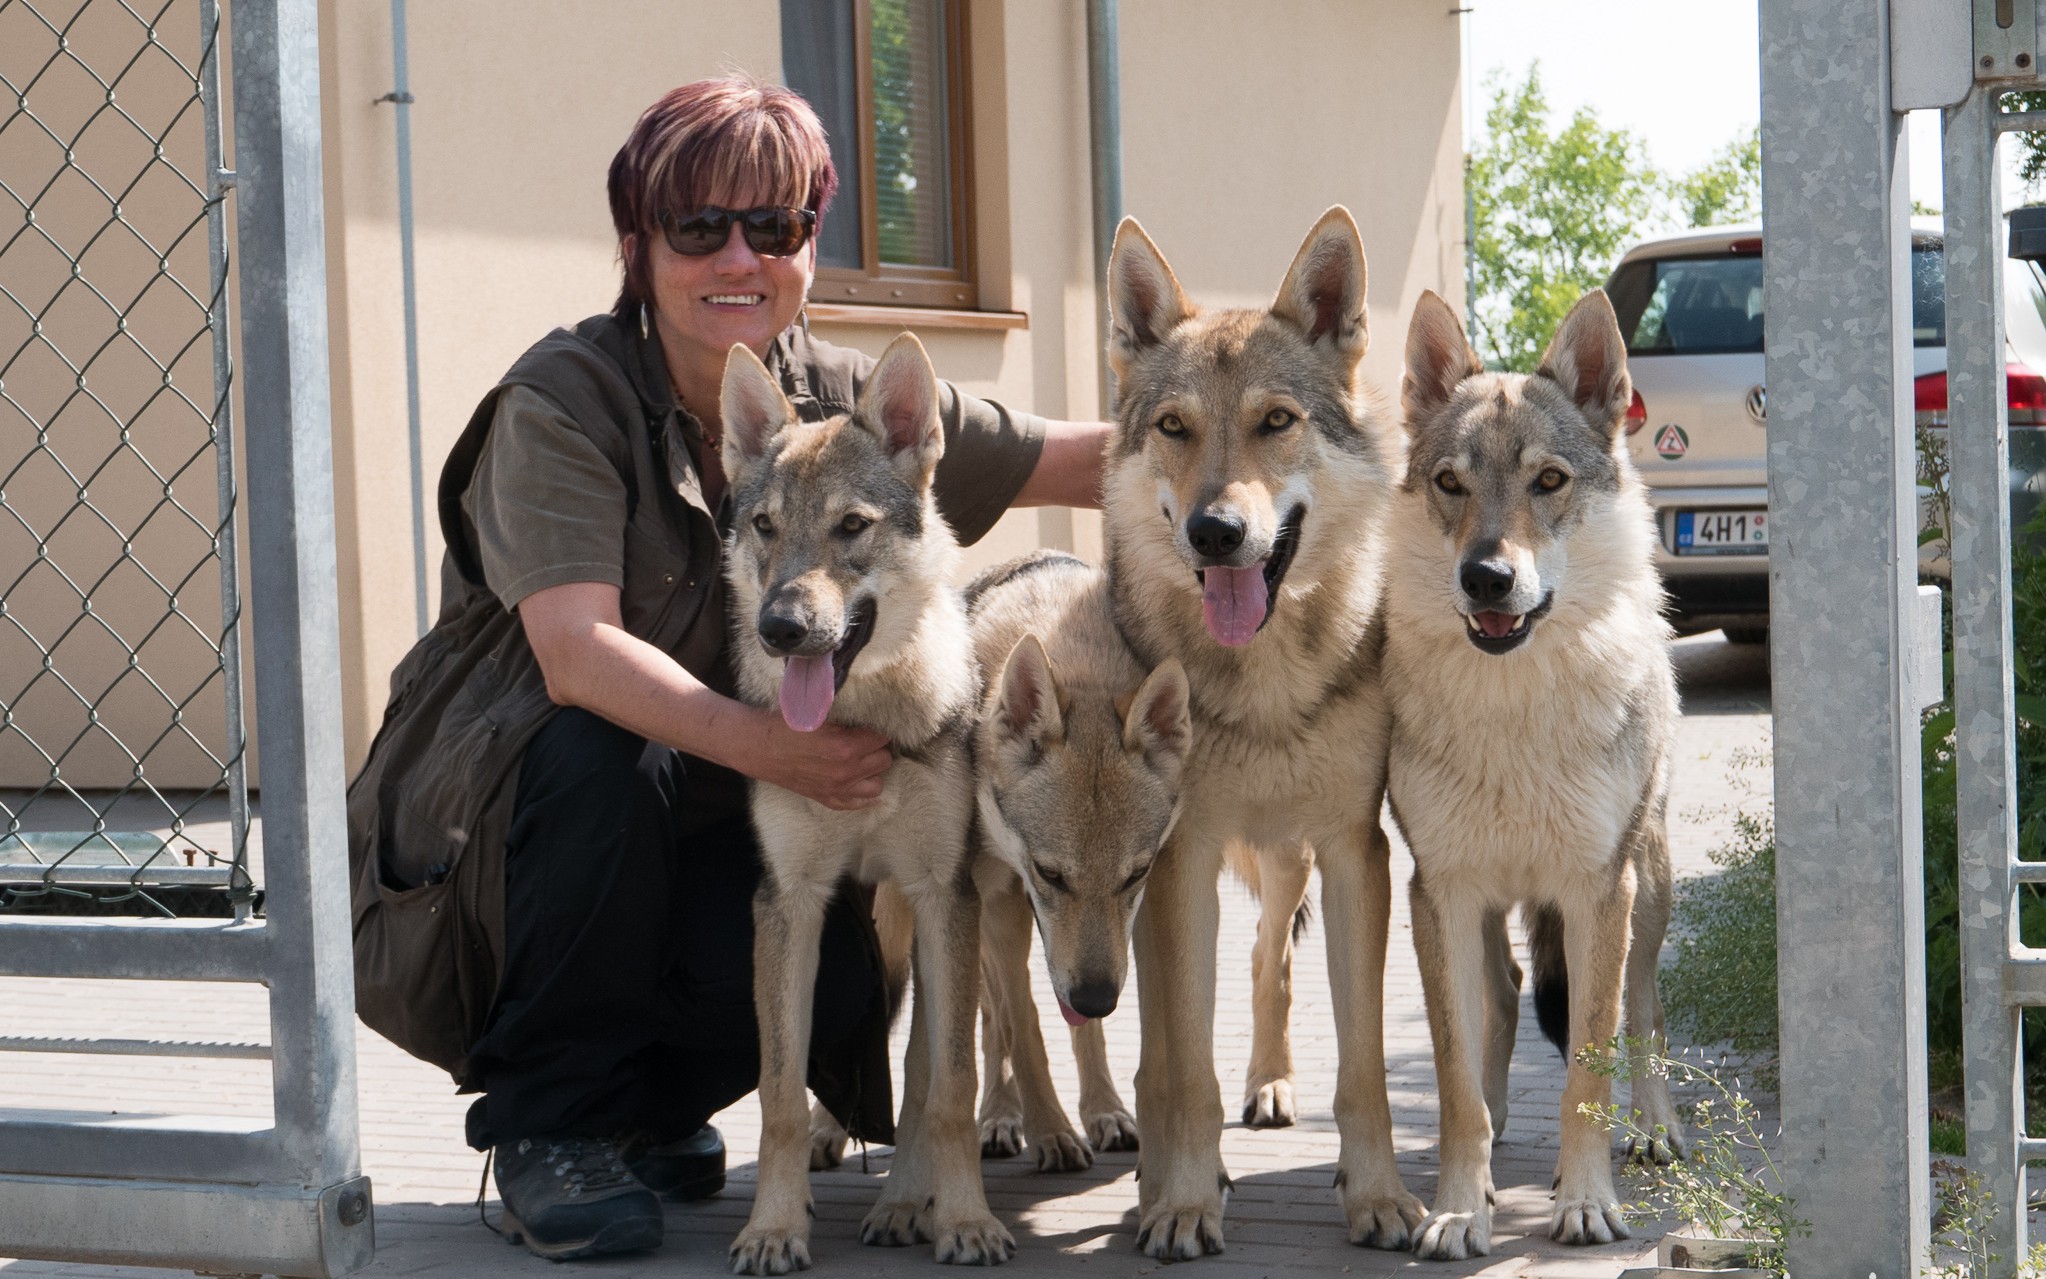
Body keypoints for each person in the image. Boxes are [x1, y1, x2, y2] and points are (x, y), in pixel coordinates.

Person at [344, 75, 1110, 1262]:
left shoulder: (852, 409)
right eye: (700, 227)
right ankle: (554, 1121)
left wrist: (1250, 464)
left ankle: (645, 1110)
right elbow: (573, 653)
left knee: (842, 975)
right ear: (638, 243)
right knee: (606, 752)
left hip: (698, 832)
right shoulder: (564, 401)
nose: (738, 256)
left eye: (778, 226)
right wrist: (775, 745)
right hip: (492, 854)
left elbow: (1075, 460)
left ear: (811, 244)